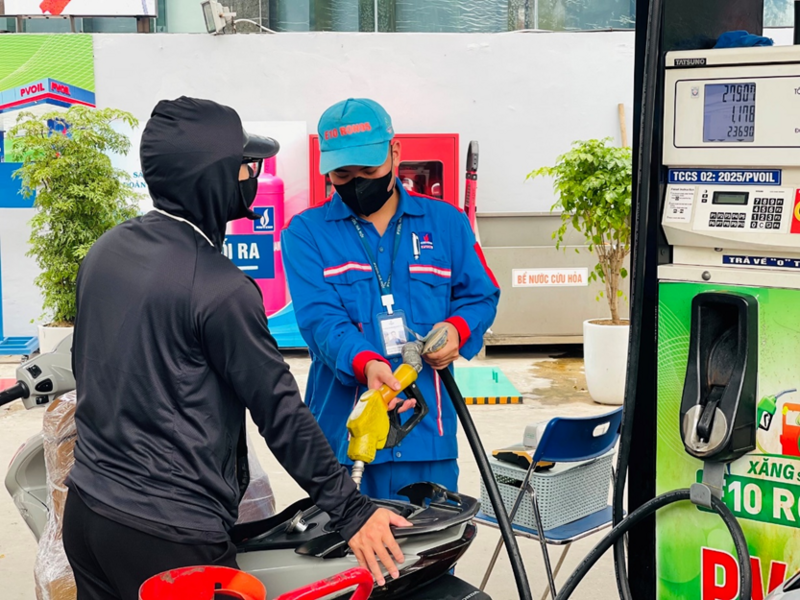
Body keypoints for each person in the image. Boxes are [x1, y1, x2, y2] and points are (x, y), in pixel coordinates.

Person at [62, 97, 409, 600]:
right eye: (244, 165)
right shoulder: (220, 287)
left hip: (88, 511)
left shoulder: (107, 250)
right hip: (169, 538)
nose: (252, 174)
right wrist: (353, 511)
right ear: (214, 178)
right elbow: (280, 413)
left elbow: (88, 364)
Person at [282, 98, 500, 500]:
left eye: (369, 171)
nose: (357, 183)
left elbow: (481, 295)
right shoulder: (306, 233)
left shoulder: (446, 223)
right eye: (343, 174)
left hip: (427, 437)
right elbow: (320, 320)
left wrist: (458, 329)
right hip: (346, 439)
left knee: (433, 542)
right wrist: (367, 363)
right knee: (345, 543)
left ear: (395, 152)